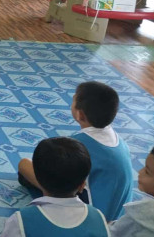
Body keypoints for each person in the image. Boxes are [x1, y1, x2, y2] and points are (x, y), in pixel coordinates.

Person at [18, 81, 133, 221]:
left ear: (80, 114)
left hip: (92, 217)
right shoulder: (120, 142)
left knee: (25, 165)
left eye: (73, 100)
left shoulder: (77, 145)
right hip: (120, 217)